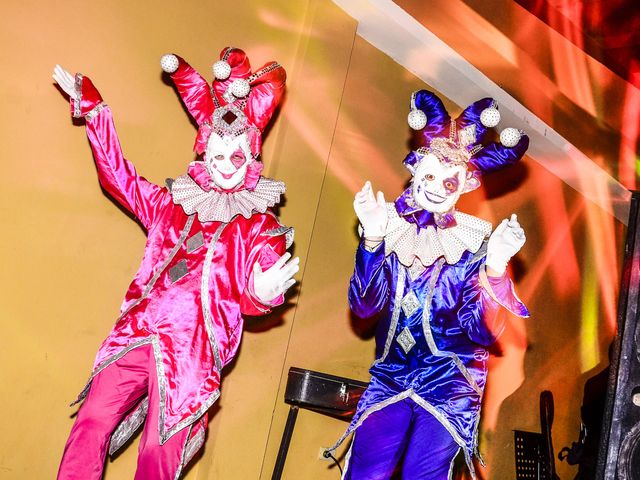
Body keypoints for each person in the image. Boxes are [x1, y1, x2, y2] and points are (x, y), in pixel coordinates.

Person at [52, 47, 299, 479]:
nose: (224, 166)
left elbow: (251, 295)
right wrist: (94, 110)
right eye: (216, 156)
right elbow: (120, 177)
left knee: (157, 457)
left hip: (192, 355)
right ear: (204, 152)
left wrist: (262, 294)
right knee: (91, 422)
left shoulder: (260, 227)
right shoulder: (171, 204)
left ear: (252, 155)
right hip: (137, 334)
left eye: (235, 156)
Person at [328, 90, 530, 479]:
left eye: (450, 182)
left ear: (464, 187)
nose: (438, 186)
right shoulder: (388, 230)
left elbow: (484, 331)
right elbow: (364, 308)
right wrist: (371, 239)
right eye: (431, 176)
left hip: (450, 382)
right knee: (364, 473)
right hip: (391, 375)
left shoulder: (471, 247)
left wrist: (496, 266)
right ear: (416, 170)